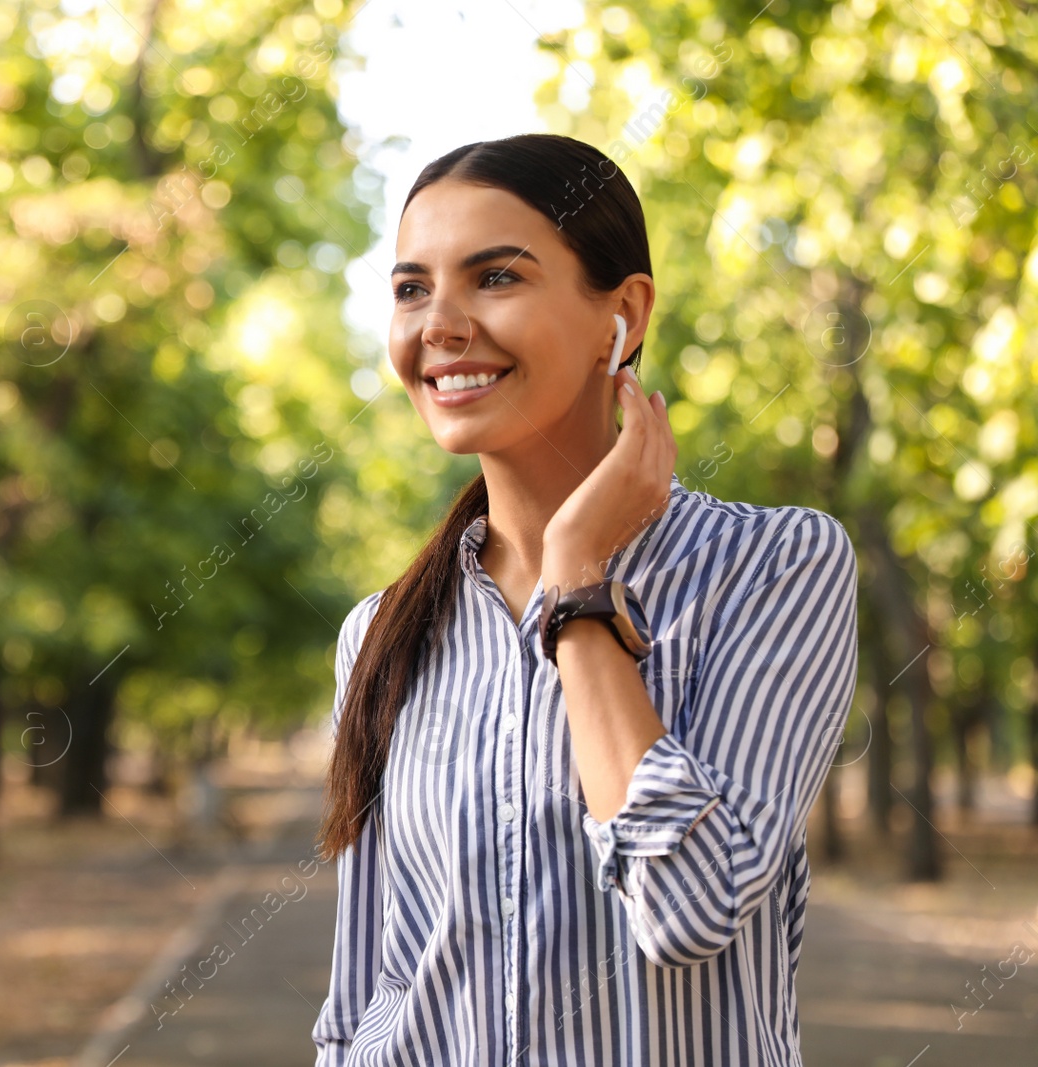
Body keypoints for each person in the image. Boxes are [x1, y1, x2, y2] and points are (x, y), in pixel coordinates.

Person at [311, 134, 859, 1066]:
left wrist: (578, 583)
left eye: (495, 278)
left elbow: (689, 909)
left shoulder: (776, 567)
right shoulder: (381, 634)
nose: (439, 325)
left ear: (625, 315)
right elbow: (367, 991)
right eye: (411, 289)